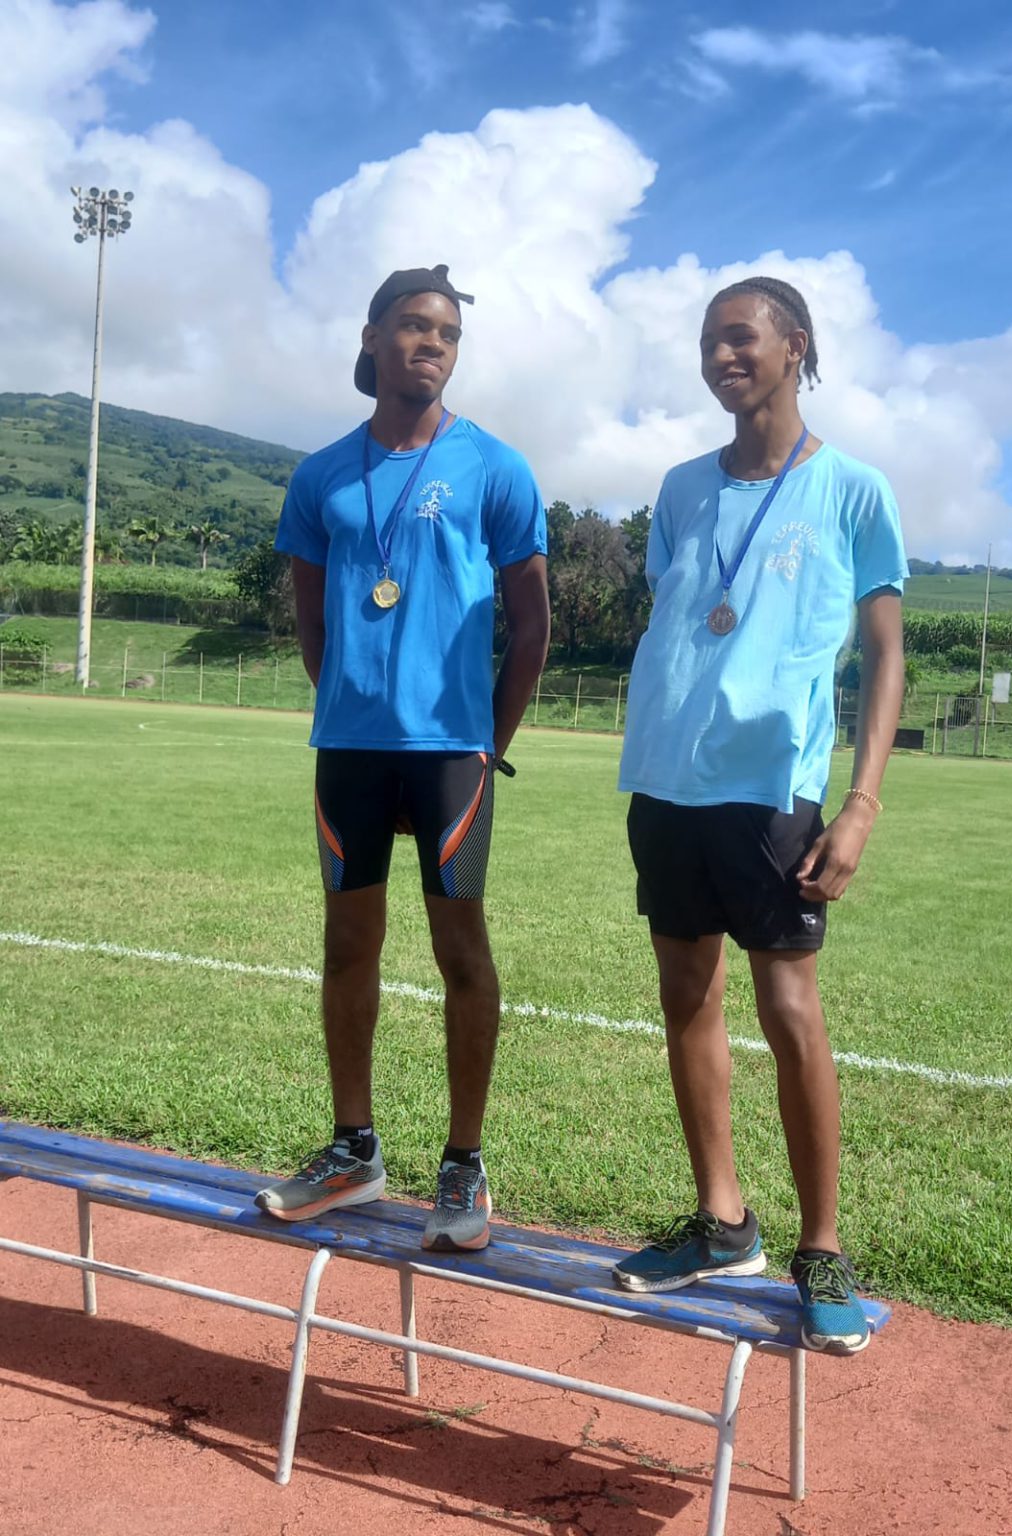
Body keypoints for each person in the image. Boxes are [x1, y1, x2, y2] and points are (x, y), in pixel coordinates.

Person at [612, 276, 907, 1353]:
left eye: (740, 337)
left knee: (789, 1011)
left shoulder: (854, 490)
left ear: (796, 347)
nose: (721, 357)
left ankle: (821, 1249)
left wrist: (861, 802)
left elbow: (885, 654)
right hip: (664, 781)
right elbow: (684, 620)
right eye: (708, 343)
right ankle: (722, 1222)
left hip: (772, 790)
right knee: (686, 997)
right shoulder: (681, 487)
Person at [256, 265, 550, 1252]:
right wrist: (350, 702)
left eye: (449, 333)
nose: (433, 344)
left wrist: (488, 743)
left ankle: (463, 1162)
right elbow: (311, 619)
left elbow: (533, 625)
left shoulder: (495, 468)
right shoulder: (321, 476)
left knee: (461, 951)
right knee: (348, 946)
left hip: (451, 755)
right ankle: (354, 1150)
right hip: (349, 749)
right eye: (416, 326)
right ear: (373, 336)